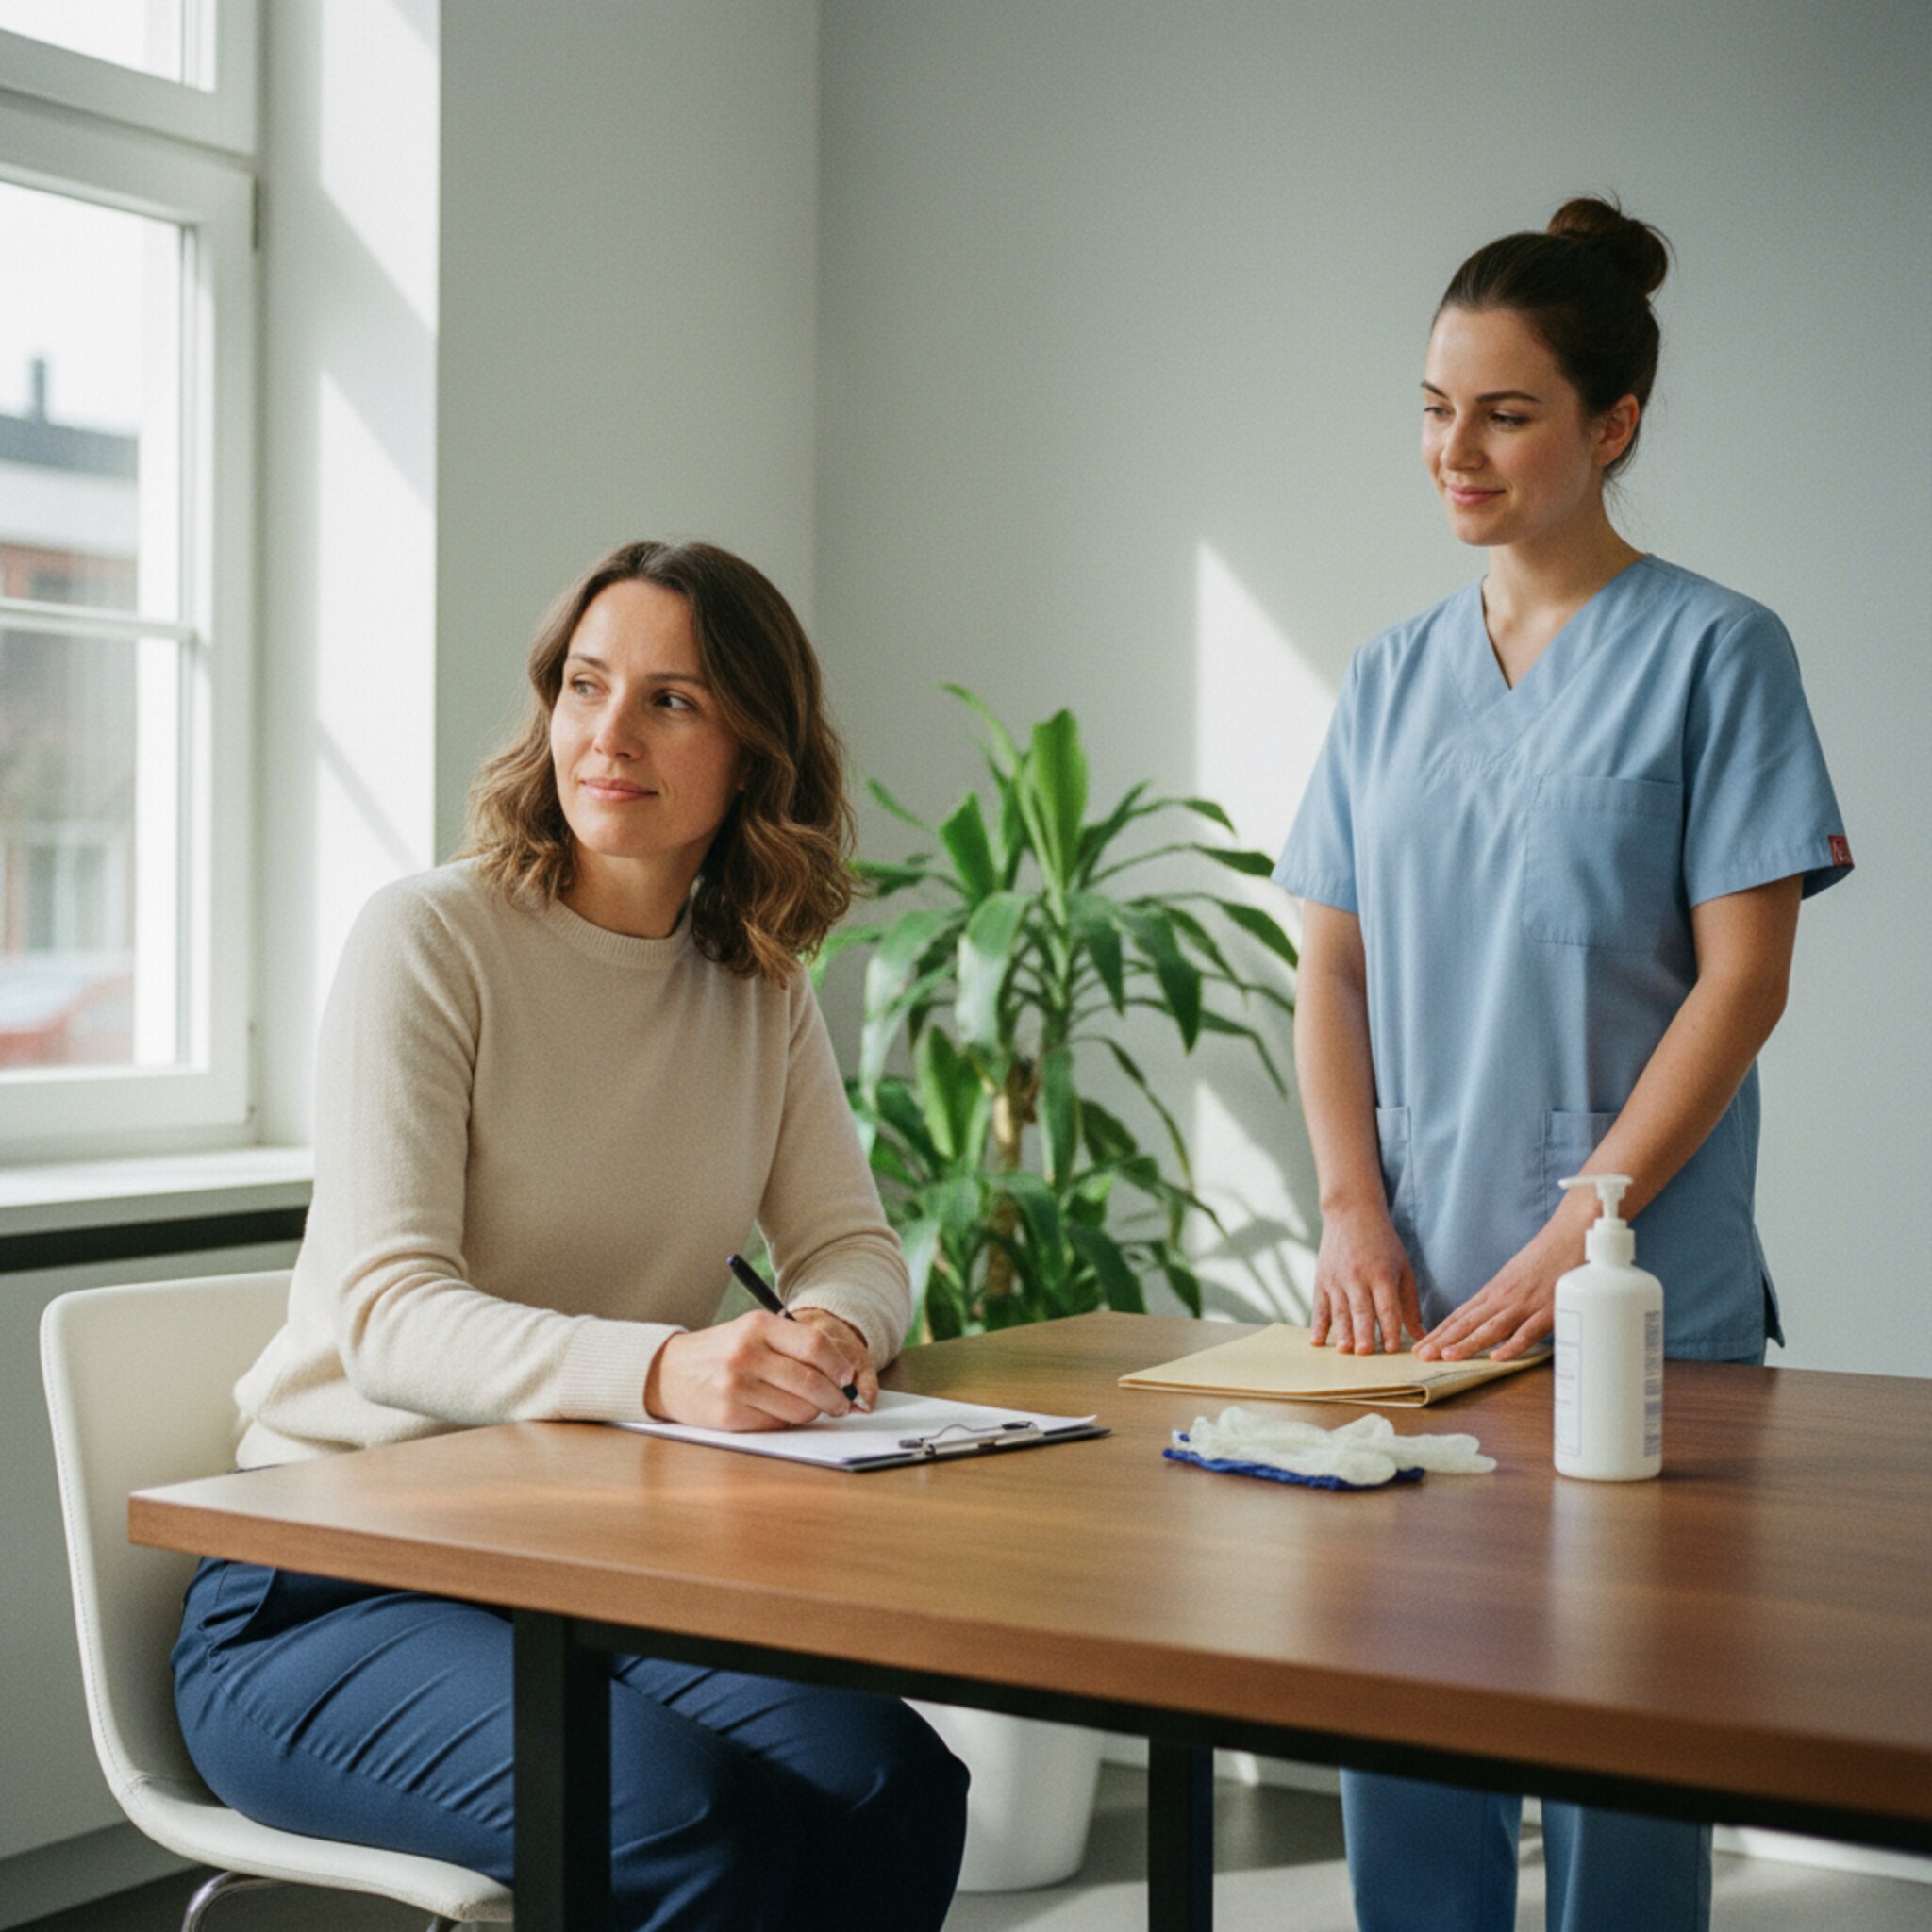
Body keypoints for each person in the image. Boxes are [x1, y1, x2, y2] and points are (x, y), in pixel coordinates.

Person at [172, 540, 969, 1931]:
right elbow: (387, 1316)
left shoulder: (758, 987)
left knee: (890, 1785)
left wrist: (829, 1331)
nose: (610, 735)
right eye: (586, 686)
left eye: (673, 701)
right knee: (690, 1825)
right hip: (327, 1583)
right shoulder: (431, 940)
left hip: (578, 1566)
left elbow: (853, 1244)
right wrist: (669, 1369)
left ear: (755, 754)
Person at [1274, 199, 1851, 1931]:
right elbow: (1333, 963)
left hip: (1635, 1287)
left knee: (1621, 1744)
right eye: (1435, 408)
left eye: (1507, 413)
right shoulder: (1389, 678)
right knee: (1409, 1722)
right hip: (1410, 1293)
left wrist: (1571, 1229)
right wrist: (1352, 1209)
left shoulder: (1719, 652)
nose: (1455, 450)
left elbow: (1743, 983)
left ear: (1614, 426)